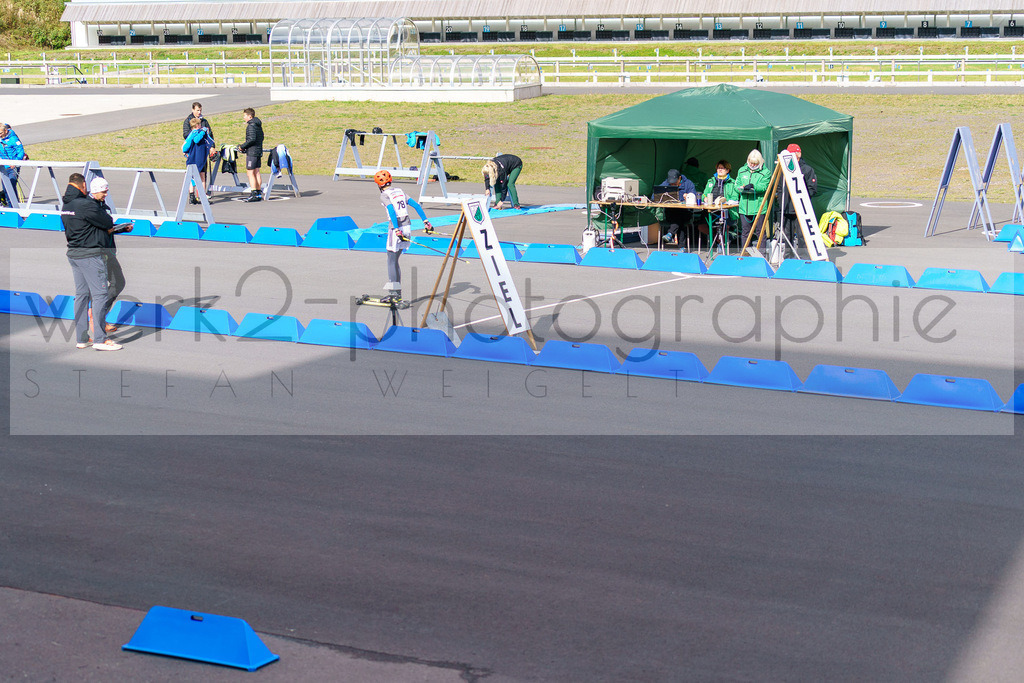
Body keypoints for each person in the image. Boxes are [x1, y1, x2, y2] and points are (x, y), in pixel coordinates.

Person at [62, 175, 128, 351]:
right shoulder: (86, 205)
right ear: (84, 186)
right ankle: (100, 339)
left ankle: (82, 338)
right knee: (99, 295)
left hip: (73, 253)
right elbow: (107, 222)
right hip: (90, 254)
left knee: (82, 296)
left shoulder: (67, 205)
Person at [375, 169, 433, 306]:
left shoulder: (384, 195)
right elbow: (416, 205)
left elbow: (391, 210)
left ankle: (394, 295)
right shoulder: (400, 191)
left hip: (396, 228)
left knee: (391, 260)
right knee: (395, 261)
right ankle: (396, 294)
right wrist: (426, 221)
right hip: (407, 227)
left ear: (379, 185)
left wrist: (396, 228)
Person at [776, 143, 818, 252]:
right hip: (786, 209)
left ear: (798, 155)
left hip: (802, 210)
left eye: (795, 154)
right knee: (787, 237)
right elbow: (779, 188)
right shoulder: (783, 170)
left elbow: (812, 189)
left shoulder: (807, 170)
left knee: (802, 237)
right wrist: (782, 203)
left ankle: (803, 258)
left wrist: (802, 200)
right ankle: (788, 259)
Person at [735, 149, 772, 251]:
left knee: (760, 233)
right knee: (745, 232)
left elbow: (764, 187)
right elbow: (736, 184)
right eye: (751, 162)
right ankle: (745, 255)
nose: (752, 164)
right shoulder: (742, 170)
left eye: (755, 163)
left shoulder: (766, 172)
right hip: (744, 207)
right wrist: (740, 188)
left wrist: (753, 186)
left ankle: (762, 256)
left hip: (758, 207)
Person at [701, 160, 739, 242]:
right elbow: (704, 194)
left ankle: (722, 242)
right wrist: (705, 198)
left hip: (725, 209)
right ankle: (719, 239)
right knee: (701, 226)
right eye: (718, 168)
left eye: (722, 168)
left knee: (723, 225)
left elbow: (735, 198)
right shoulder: (711, 181)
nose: (720, 170)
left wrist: (724, 200)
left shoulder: (732, 183)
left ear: (727, 170)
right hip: (711, 209)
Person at [181, 118, 214, 204]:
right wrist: (203, 132)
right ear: (197, 125)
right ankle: (201, 197)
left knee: (192, 177)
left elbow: (185, 146)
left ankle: (192, 197)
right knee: (201, 177)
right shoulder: (196, 133)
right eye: (200, 124)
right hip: (198, 158)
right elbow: (196, 140)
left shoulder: (191, 134)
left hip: (192, 158)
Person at [662, 171, 698, 246]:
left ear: (680, 178)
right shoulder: (666, 183)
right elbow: (655, 195)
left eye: (675, 183)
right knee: (679, 221)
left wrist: (688, 196)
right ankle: (682, 247)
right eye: (671, 183)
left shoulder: (688, 184)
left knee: (679, 216)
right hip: (670, 213)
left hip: (686, 212)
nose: (673, 184)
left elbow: (694, 197)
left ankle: (670, 233)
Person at [238, 107, 264, 202]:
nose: (244, 118)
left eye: (245, 116)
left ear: (250, 116)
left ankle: (254, 192)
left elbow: (251, 139)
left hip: (252, 152)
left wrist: (242, 146)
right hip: (258, 151)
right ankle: (258, 192)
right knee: (256, 171)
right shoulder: (258, 125)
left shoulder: (251, 126)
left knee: (250, 172)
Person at [0, 122, 27, 206]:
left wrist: (15, 162)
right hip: (4, 167)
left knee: (11, 186)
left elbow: (20, 151)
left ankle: (14, 207)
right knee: (5, 187)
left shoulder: (14, 139)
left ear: (5, 130)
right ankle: (10, 206)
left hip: (13, 167)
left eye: (0, 133)